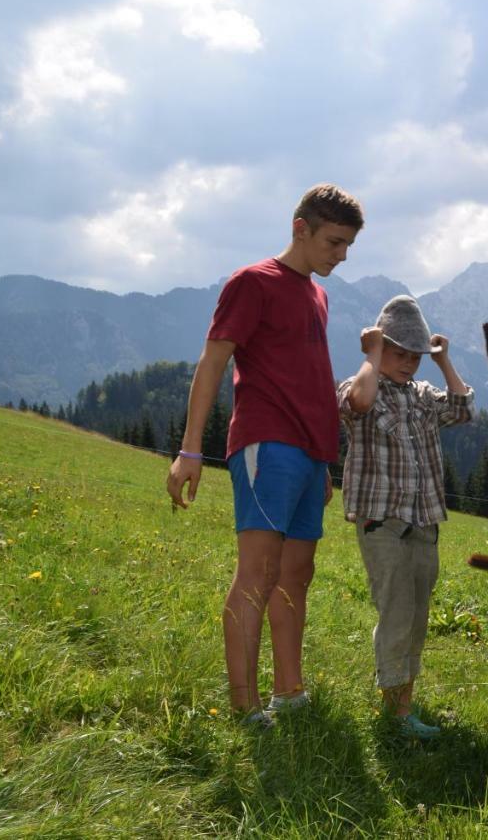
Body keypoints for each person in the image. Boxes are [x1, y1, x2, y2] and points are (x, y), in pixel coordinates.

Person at [166, 183, 364, 727]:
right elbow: (212, 364)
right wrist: (190, 449)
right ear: (300, 228)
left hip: (308, 454)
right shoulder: (252, 282)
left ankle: (289, 691)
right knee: (259, 570)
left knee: (297, 573)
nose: (342, 255)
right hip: (265, 444)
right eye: (334, 242)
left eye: (348, 245)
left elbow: (309, 379)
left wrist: (324, 461)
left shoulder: (317, 295)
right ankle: (244, 705)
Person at [338, 294, 473, 739]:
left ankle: (404, 701)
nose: (410, 364)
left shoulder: (422, 396)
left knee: (417, 614)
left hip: (423, 523)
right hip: (381, 522)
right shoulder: (362, 388)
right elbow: (358, 401)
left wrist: (443, 361)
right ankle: (396, 716)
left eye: (416, 356)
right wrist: (373, 356)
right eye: (401, 354)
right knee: (396, 611)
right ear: (380, 348)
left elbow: (462, 408)